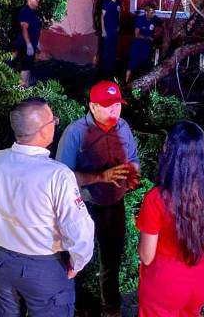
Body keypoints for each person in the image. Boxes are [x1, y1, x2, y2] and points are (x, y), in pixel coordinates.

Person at [0, 98, 95, 316]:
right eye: (53, 120)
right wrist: (78, 262)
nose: (55, 124)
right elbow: (78, 229)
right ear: (42, 131)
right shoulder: (58, 175)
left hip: (1, 263)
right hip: (45, 270)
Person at [56, 81, 140, 317]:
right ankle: (76, 305)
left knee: (112, 258)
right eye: (108, 106)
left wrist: (133, 172)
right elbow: (62, 177)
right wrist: (100, 176)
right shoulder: (75, 133)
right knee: (75, 259)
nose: (115, 111)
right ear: (92, 107)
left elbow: (133, 157)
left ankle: (110, 308)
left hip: (115, 203)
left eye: (118, 105)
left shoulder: (123, 127)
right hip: (83, 205)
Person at [136, 121, 204, 317]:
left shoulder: (156, 198)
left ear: (168, 150)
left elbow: (146, 256)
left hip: (164, 283)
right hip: (199, 281)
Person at [126, 3, 163, 83]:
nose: (153, 14)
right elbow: (136, 34)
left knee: (144, 62)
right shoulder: (140, 19)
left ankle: (139, 82)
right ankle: (126, 82)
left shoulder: (154, 19)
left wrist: (159, 31)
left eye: (154, 12)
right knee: (133, 62)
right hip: (137, 44)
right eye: (151, 12)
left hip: (147, 45)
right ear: (146, 12)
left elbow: (163, 24)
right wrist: (148, 37)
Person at [16, 0, 42, 87]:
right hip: (24, 44)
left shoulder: (33, 12)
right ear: (30, 0)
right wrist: (28, 44)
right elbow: (24, 28)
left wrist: (36, 43)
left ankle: (26, 86)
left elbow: (34, 29)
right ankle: (21, 89)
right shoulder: (25, 11)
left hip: (31, 44)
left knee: (29, 65)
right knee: (25, 66)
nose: (38, 0)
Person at [98, 0, 122, 78]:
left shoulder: (119, 3)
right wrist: (103, 30)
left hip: (114, 30)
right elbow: (102, 16)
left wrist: (118, 25)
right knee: (106, 50)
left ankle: (111, 71)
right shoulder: (107, 3)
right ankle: (104, 72)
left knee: (113, 50)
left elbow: (119, 14)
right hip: (107, 29)